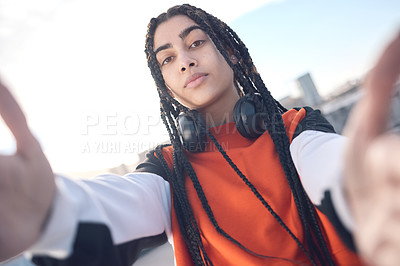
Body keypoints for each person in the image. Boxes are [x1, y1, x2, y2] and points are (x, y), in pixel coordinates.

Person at [0, 3, 399, 266]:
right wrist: (52, 212)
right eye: (169, 58)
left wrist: (373, 180)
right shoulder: (168, 171)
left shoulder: (298, 132)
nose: (186, 60)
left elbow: (335, 167)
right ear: (166, 85)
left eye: (196, 42)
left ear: (234, 52)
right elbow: (119, 203)